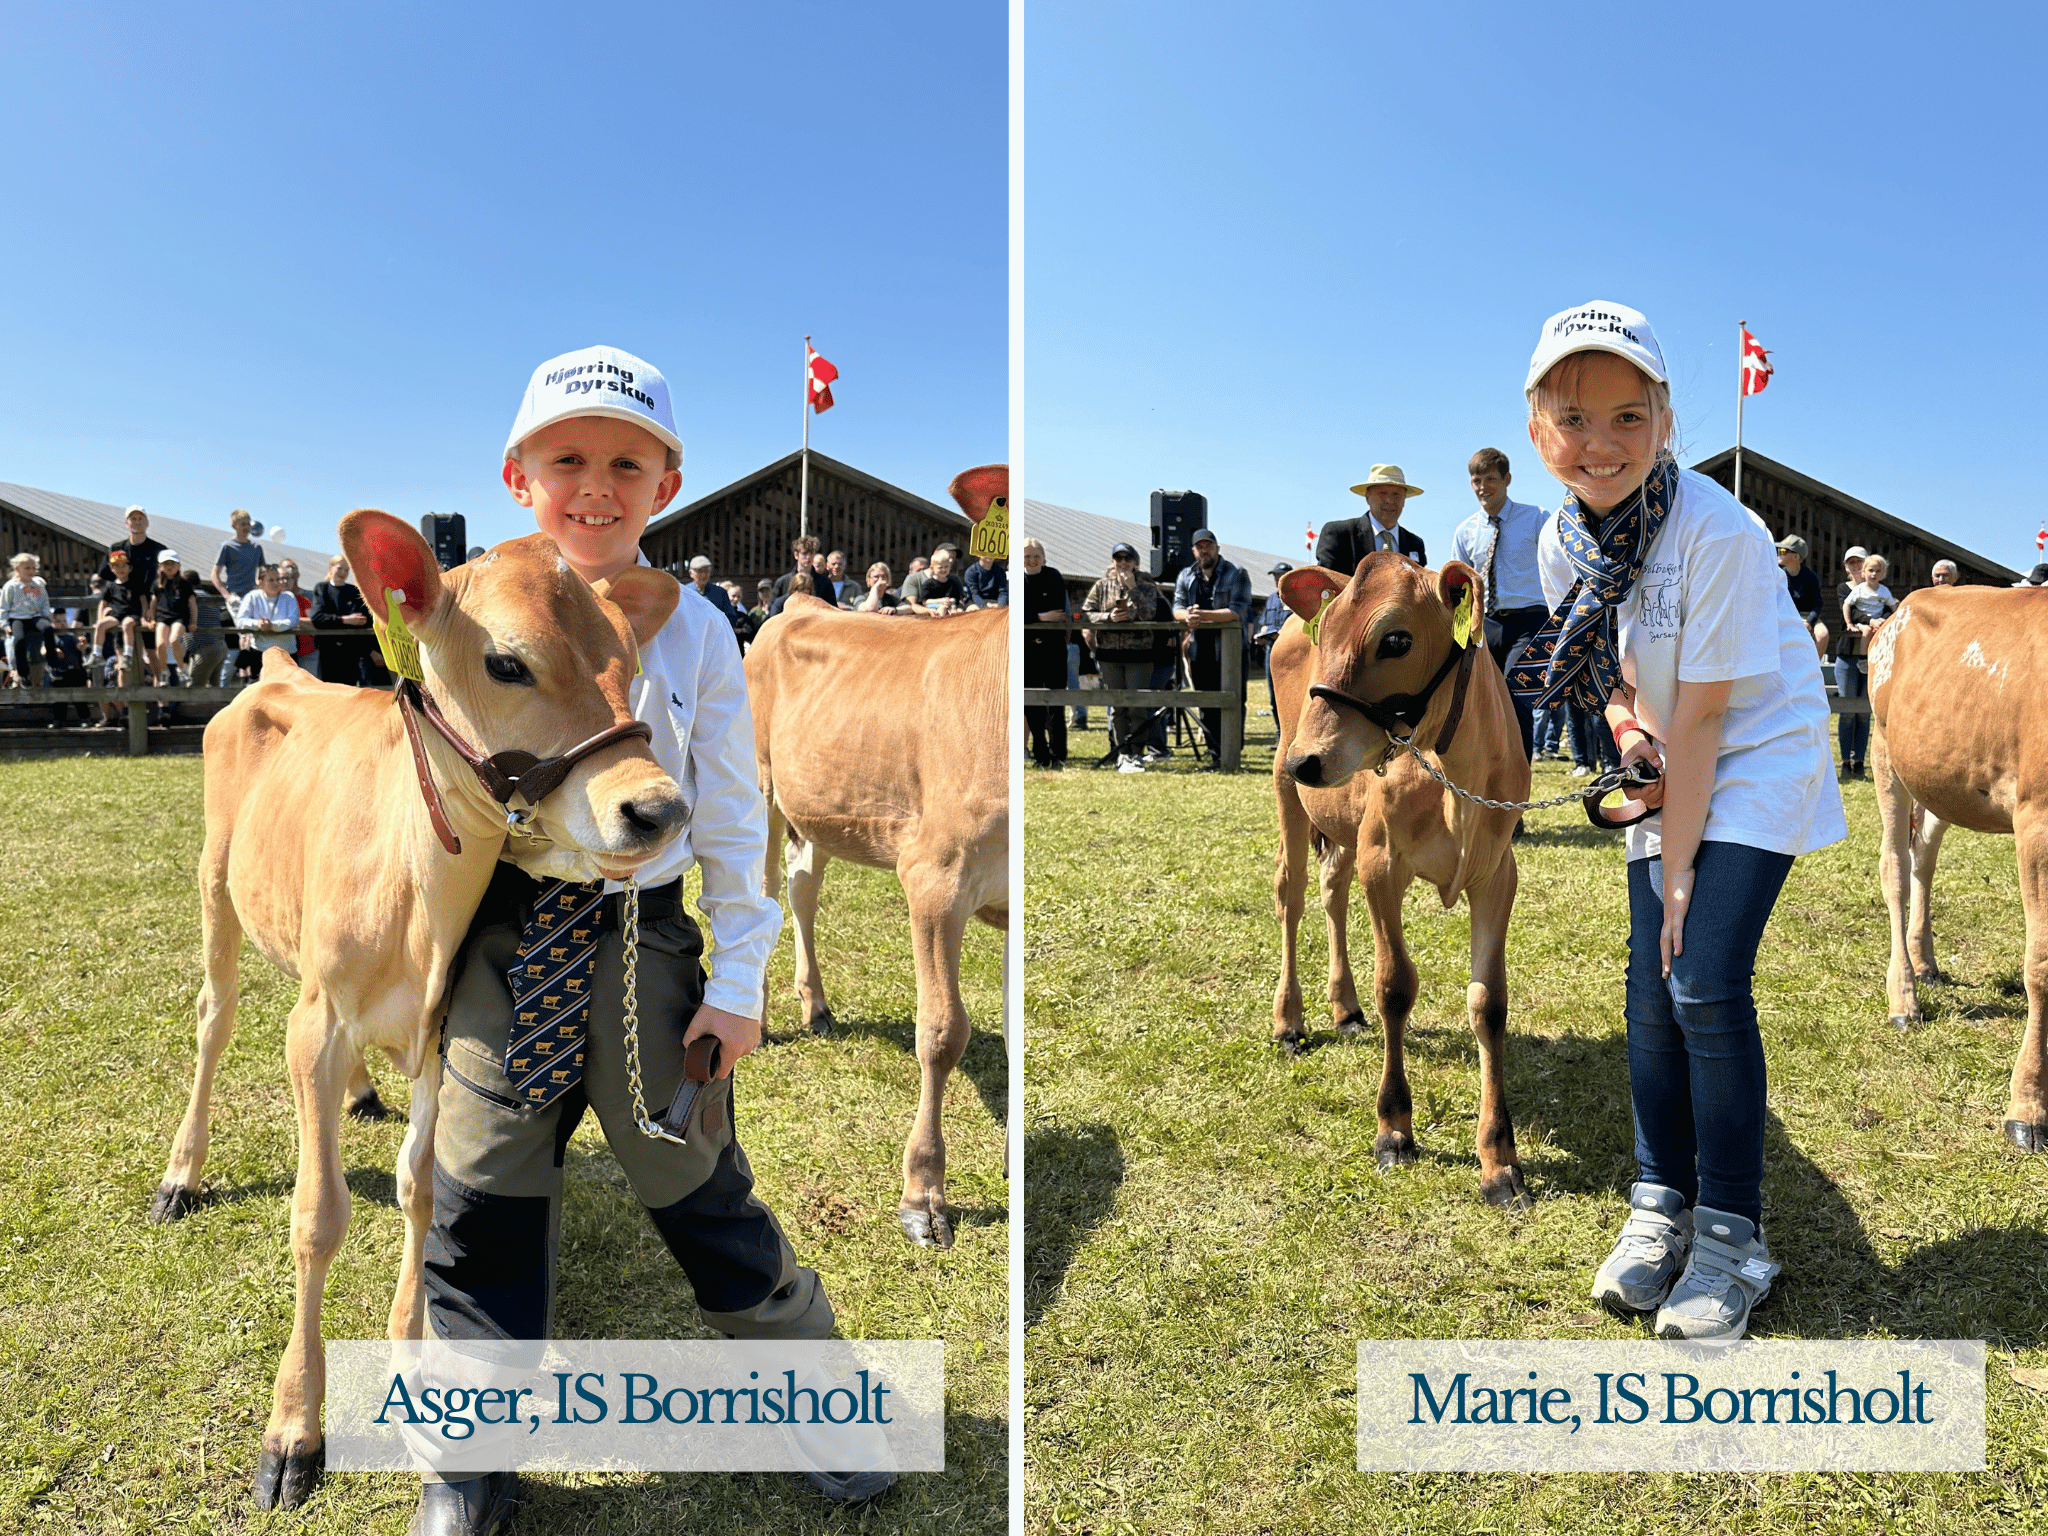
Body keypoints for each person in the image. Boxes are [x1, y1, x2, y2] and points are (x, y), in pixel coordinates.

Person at [413, 344, 866, 1534]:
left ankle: (817, 1398)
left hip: (640, 938)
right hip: (508, 937)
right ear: (519, 475)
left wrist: (738, 982)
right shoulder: (462, 612)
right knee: (479, 1189)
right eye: (567, 459)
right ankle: (468, 1461)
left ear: (666, 485)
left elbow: (728, 813)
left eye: (628, 461)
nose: (595, 486)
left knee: (695, 1179)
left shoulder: (700, 630)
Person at [1507, 300, 1843, 1342]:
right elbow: (1612, 680)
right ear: (1535, 430)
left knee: (1697, 972)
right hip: (1674, 756)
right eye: (1570, 418)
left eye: (1623, 416)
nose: (1596, 442)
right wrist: (1625, 734)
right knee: (1645, 988)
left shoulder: (1718, 531)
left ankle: (1732, 1237)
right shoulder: (1562, 541)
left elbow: (1704, 713)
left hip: (1752, 754)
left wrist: (1681, 866)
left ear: (1661, 418)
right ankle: (1658, 1207)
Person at [1450, 447, 1551, 763]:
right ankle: (1486, 774)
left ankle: (1517, 781)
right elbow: (1460, 590)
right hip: (1486, 624)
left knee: (1516, 695)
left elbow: (1560, 566)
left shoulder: (1537, 518)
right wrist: (1458, 636)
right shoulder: (1465, 532)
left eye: (1490, 479)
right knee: (1481, 700)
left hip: (1531, 621)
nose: (1483, 487)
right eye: (1476, 480)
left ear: (1507, 480)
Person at [1171, 529, 1253, 768]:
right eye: (1199, 546)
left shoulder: (1236, 573)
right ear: (1193, 550)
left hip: (1232, 651)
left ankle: (1231, 753)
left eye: (1208, 545)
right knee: (1206, 703)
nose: (1204, 550)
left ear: (1217, 548)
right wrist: (1187, 617)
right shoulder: (1186, 575)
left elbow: (1237, 611)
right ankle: (1214, 753)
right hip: (1199, 650)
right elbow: (1177, 607)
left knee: (1235, 702)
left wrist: (1201, 615)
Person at [1084, 542, 1167, 770]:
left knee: (1137, 705)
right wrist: (1108, 618)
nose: (1123, 563)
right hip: (1109, 654)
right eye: (1118, 558)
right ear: (1113, 561)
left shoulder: (1146, 584)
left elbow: (1150, 613)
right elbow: (1087, 613)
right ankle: (1122, 751)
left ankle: (1137, 752)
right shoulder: (1102, 586)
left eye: (1127, 559)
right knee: (1117, 707)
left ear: (1135, 562)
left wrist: (1132, 588)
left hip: (1139, 655)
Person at [1831, 546, 1891, 777]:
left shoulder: (1880, 590)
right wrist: (1872, 619)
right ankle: (1845, 761)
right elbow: (1851, 612)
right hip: (1847, 656)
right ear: (1846, 567)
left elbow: (1890, 609)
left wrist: (1880, 618)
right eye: (1851, 563)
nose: (1856, 567)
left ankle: (1860, 762)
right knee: (1847, 710)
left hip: (1873, 658)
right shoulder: (1843, 589)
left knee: (1865, 711)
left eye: (1860, 562)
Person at [1315, 464, 1427, 573]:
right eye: (1382, 493)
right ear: (1367, 497)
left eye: (1396, 494)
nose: (1389, 500)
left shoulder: (1415, 544)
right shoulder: (1340, 534)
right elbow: (1327, 584)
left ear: (1404, 499)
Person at [1022, 538, 1068, 767]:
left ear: (1043, 557)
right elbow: (1015, 612)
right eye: (1027, 556)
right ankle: (1040, 752)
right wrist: (1040, 617)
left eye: (1036, 556)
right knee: (1031, 703)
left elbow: (1059, 609)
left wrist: (1031, 615)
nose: (1031, 560)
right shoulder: (1016, 580)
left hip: (1053, 648)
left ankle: (1059, 753)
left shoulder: (1053, 575)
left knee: (1057, 701)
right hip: (1027, 650)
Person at [213, 510, 266, 685]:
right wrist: (226, 595)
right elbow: (214, 575)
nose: (246, 527)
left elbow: (263, 573)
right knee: (244, 634)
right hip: (235, 597)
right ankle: (226, 686)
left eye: (248, 523)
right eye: (242, 523)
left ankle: (251, 679)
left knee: (254, 637)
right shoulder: (227, 546)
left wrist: (261, 588)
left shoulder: (256, 547)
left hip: (253, 596)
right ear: (234, 525)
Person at [311, 555, 378, 686]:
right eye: (340, 568)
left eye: (347, 570)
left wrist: (357, 621)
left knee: (349, 691)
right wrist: (346, 620)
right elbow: (317, 618)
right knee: (328, 693)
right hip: (327, 652)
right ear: (330, 568)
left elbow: (365, 619)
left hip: (350, 653)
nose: (343, 573)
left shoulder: (354, 591)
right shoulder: (322, 588)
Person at [150, 552, 201, 686]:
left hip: (179, 617)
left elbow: (192, 604)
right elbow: (153, 602)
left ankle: (181, 668)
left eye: (172, 564)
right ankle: (164, 671)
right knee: (160, 644)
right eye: (166, 564)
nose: (170, 567)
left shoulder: (184, 584)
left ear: (178, 566)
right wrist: (150, 618)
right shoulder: (157, 584)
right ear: (160, 566)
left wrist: (193, 622)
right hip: (162, 617)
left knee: (174, 640)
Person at [2, 552, 52, 688]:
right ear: (17, 568)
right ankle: (23, 674)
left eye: (33, 568)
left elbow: (44, 603)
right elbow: (4, 608)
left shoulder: (39, 584)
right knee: (19, 640)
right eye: (27, 568)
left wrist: (48, 614)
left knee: (47, 629)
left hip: (35, 616)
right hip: (17, 618)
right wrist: (5, 625)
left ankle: (53, 664)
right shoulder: (11, 586)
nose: (31, 571)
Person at [1254, 561, 1292, 726]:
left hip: (1291, 652)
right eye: (1276, 577)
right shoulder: (1271, 599)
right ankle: (1280, 736)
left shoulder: (1297, 597)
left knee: (1291, 695)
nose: (1278, 580)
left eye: (1281, 576)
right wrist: (1261, 634)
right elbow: (1264, 622)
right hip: (1271, 650)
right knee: (1274, 694)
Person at [1775, 535, 1824, 659]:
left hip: (1807, 616)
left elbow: (1817, 603)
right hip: (1784, 615)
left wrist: (1810, 622)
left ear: (1796, 556)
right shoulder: (1777, 575)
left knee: (1823, 635)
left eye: (1783, 551)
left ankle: (1814, 667)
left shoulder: (1811, 577)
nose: (1778, 554)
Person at [236, 564, 300, 659]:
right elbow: (240, 621)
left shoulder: (289, 597)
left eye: (278, 579)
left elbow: (293, 621)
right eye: (271, 580)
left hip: (286, 653)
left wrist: (272, 626)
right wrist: (257, 623)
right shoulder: (252, 596)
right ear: (261, 582)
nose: (276, 583)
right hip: (260, 652)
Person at [277, 558, 320, 675]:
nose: (285, 582)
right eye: (281, 579)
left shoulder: (304, 600)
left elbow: (313, 624)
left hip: (307, 651)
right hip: (283, 653)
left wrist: (292, 621)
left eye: (288, 578)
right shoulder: (271, 600)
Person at [684, 555, 743, 633]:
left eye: (706, 571)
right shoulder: (685, 592)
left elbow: (731, 617)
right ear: (691, 573)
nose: (704, 575)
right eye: (699, 571)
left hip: (714, 638)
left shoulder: (720, 593)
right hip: (691, 638)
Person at [902, 549, 967, 614]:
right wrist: (941, 601)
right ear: (932, 568)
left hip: (949, 605)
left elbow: (958, 599)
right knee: (942, 608)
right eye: (940, 567)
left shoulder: (953, 581)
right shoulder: (928, 583)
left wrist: (951, 602)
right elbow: (923, 602)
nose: (943, 570)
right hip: (932, 606)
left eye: (946, 566)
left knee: (958, 610)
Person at [772, 536, 821, 602]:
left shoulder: (824, 582)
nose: (808, 557)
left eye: (811, 553)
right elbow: (774, 607)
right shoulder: (782, 582)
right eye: (804, 553)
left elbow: (831, 608)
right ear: (796, 555)